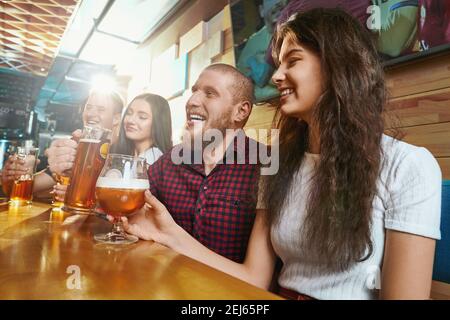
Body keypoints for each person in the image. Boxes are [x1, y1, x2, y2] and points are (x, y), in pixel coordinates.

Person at [118, 9, 442, 300]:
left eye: (293, 61)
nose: (275, 77)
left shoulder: (408, 165)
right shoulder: (277, 165)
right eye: (278, 64)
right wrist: (169, 234)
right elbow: (254, 279)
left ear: (336, 66)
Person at [112, 63, 263, 263]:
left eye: (210, 93)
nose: (192, 101)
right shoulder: (168, 162)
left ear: (241, 111)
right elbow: (125, 207)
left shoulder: (265, 165)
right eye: (194, 91)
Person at [1, 89, 125, 201]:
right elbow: (33, 188)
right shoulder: (77, 146)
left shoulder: (125, 152)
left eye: (101, 109)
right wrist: (12, 178)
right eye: (88, 107)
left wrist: (79, 194)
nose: (91, 114)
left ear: (116, 119)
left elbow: (119, 200)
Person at [110, 93, 173, 165]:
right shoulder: (123, 152)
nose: (130, 120)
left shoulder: (155, 161)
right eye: (129, 113)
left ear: (158, 124)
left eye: (142, 117)